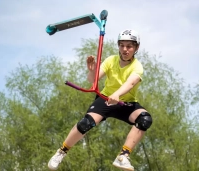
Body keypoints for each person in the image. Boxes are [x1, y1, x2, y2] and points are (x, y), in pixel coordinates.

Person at [47, 29, 153, 171]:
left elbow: (130, 83)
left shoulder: (137, 66)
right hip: (105, 99)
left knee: (145, 119)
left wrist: (117, 94)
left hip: (126, 103)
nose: (125, 49)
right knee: (86, 123)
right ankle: (62, 151)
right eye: (122, 45)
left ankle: (123, 156)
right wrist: (92, 70)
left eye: (129, 46)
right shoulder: (111, 61)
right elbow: (92, 80)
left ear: (136, 48)